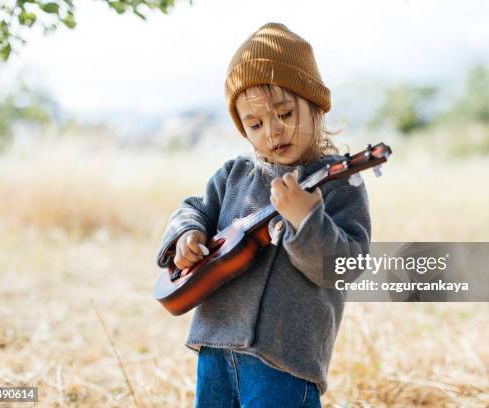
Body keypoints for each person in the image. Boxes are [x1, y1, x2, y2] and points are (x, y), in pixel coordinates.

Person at [156, 22, 371, 408]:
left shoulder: (340, 183)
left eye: (284, 113)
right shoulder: (233, 175)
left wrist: (308, 221)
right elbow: (192, 210)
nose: (272, 131)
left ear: (315, 104)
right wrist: (186, 236)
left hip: (286, 357)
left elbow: (345, 265)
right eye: (254, 124)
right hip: (216, 345)